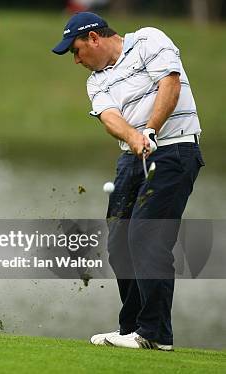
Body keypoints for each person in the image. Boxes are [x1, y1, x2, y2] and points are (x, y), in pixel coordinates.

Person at [51, 12, 204, 350]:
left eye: (76, 51)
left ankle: (155, 334)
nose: (76, 60)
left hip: (174, 150)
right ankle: (132, 328)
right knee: (120, 243)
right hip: (132, 158)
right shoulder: (96, 80)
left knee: (147, 234)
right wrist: (136, 139)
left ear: (93, 38)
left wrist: (150, 129)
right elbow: (110, 117)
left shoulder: (150, 38)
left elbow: (170, 84)